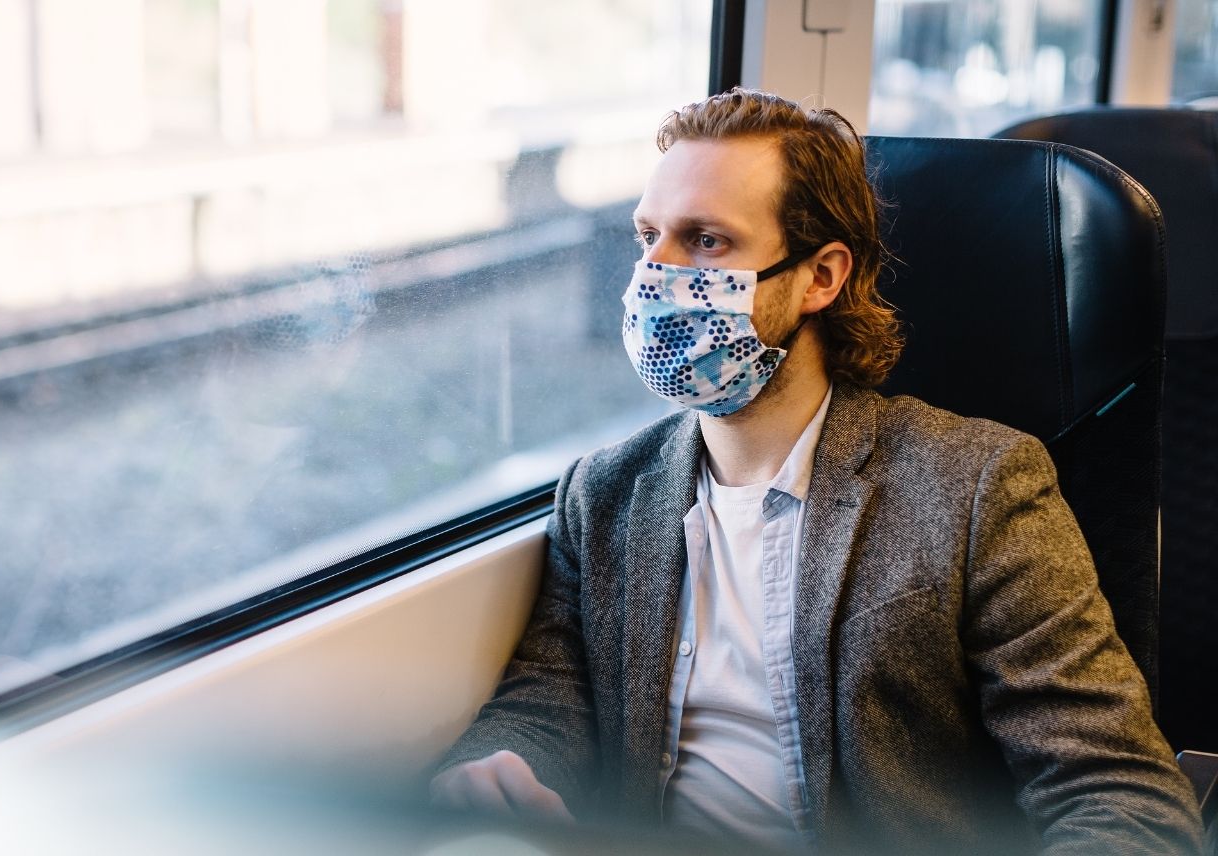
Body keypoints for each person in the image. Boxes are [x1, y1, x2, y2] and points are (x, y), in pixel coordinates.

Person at [429, 88, 1203, 854]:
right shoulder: (603, 494)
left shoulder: (974, 485)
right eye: (647, 238)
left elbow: (1116, 792)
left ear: (821, 278)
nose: (651, 279)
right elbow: (545, 705)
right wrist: (495, 772)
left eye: (705, 243)